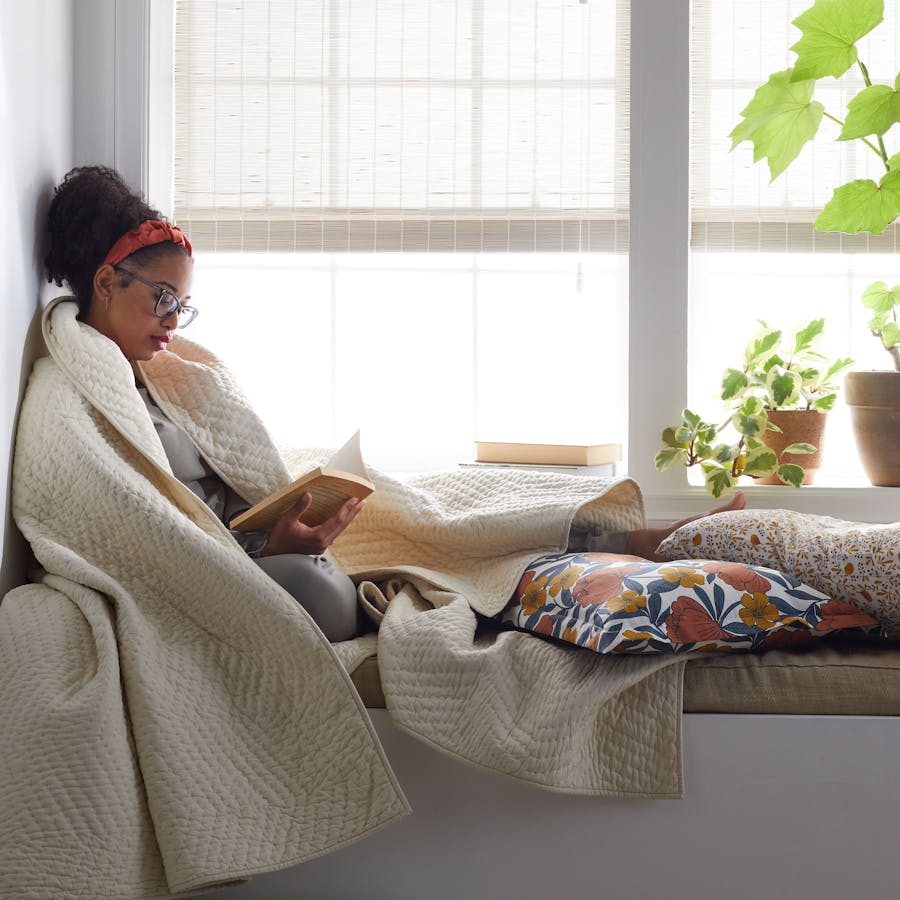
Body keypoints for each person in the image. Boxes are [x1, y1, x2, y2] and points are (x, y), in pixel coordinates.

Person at [39, 165, 745, 642]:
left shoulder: (158, 371)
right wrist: (274, 551)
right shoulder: (77, 395)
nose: (172, 319)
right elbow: (152, 545)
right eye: (163, 299)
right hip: (249, 568)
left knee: (450, 503)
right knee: (434, 552)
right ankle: (642, 550)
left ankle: (648, 538)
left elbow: (240, 466)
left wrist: (291, 506)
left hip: (276, 523)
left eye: (183, 305)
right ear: (105, 281)